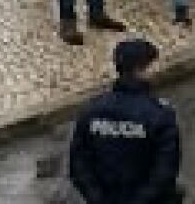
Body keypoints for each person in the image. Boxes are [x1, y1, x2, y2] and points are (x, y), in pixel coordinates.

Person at [69, 38, 181, 203]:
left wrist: (96, 197)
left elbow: (78, 164)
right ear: (140, 69)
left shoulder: (91, 111)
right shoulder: (160, 115)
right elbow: (166, 170)